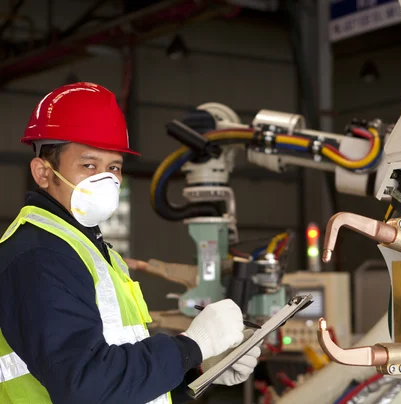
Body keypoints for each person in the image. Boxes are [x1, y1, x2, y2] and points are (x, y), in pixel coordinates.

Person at [0, 82, 260, 404]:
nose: (106, 180)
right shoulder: (39, 257)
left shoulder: (85, 248)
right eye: (89, 165)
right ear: (42, 173)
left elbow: (120, 383)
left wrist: (200, 368)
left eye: (114, 168)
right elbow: (85, 383)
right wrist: (191, 346)